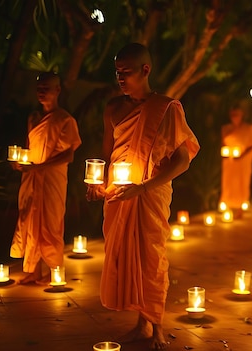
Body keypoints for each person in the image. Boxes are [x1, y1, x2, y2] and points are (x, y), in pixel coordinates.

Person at [86, 43, 200, 350]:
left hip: (150, 194)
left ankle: (157, 327)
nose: (121, 78)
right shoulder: (113, 108)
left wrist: (145, 187)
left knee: (151, 258)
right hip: (120, 195)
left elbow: (182, 160)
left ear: (145, 70)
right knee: (125, 258)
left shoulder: (166, 108)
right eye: (117, 72)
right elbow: (108, 155)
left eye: (127, 72)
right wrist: (98, 184)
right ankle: (140, 323)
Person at [10, 72, 81, 285]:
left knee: (51, 222)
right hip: (32, 179)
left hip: (52, 179)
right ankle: (33, 269)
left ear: (58, 90)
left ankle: (53, 270)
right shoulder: (33, 117)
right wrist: (21, 163)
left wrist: (40, 167)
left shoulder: (65, 119)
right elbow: (30, 149)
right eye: (39, 88)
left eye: (46, 88)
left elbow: (68, 155)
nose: (42, 92)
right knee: (30, 220)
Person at [220, 105, 252, 216]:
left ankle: (241, 206)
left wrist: (243, 155)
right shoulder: (226, 128)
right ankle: (227, 204)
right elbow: (223, 144)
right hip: (229, 161)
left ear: (242, 115)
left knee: (242, 182)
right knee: (228, 183)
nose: (234, 117)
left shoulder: (249, 128)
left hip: (243, 162)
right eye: (232, 115)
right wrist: (225, 154)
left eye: (236, 114)